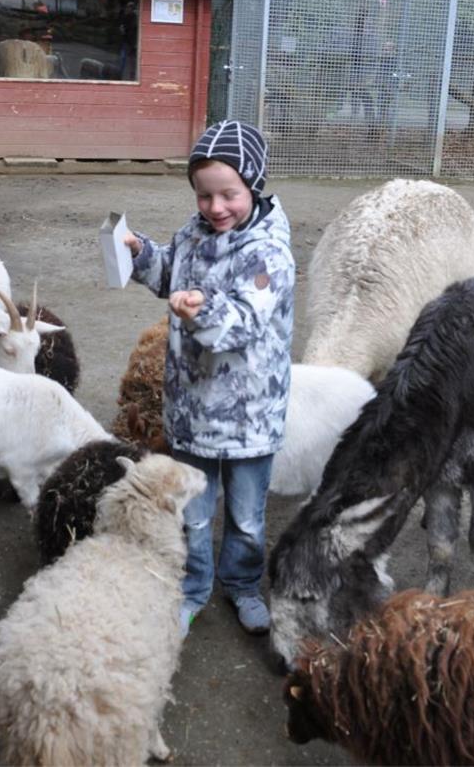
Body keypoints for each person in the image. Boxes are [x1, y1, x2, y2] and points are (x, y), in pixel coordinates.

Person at [122, 121, 295, 639]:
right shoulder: (194, 235)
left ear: (254, 185)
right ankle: (193, 587)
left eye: (229, 195)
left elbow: (239, 324)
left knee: (246, 516)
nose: (216, 207)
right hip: (192, 408)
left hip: (248, 416)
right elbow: (170, 272)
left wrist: (200, 311)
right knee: (194, 512)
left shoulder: (269, 256)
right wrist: (139, 253)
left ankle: (242, 585)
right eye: (204, 195)